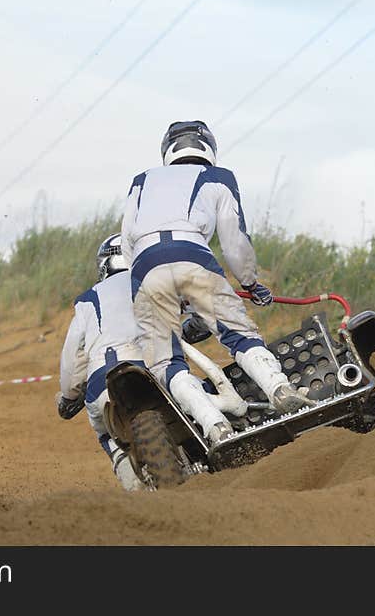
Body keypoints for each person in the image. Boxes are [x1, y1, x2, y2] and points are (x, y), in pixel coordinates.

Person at [121, 120, 314, 444]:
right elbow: (234, 242)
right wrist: (250, 283)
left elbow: (128, 241)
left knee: (167, 361)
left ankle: (215, 426)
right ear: (209, 147)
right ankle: (280, 389)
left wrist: (150, 287)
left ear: (168, 151)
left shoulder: (142, 181)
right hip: (194, 256)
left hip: (145, 266)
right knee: (238, 334)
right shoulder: (219, 177)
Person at [56, 234, 146, 491]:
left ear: (106, 263)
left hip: (103, 381)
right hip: (154, 371)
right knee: (187, 390)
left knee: (106, 434)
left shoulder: (88, 299)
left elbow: (72, 355)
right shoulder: (151, 282)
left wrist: (69, 395)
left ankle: (136, 491)